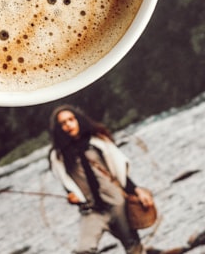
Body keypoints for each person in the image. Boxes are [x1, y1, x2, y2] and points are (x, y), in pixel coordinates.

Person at [48, 104, 155, 254]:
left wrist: (137, 190)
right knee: (84, 250)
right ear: (59, 129)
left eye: (71, 120)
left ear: (78, 120)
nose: (68, 125)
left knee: (133, 246)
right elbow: (67, 182)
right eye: (63, 123)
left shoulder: (98, 142)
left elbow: (119, 171)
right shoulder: (59, 156)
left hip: (117, 204)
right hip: (92, 211)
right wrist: (72, 196)